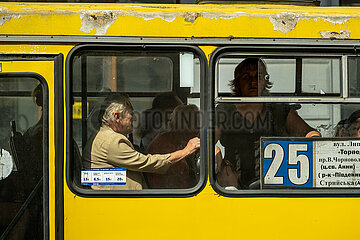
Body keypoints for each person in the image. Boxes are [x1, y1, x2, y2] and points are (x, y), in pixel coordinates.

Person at [216, 57, 320, 189]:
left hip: (275, 186)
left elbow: (308, 132)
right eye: (247, 77)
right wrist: (213, 148)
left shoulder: (277, 109)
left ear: (265, 81)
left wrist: (314, 140)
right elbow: (207, 139)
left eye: (258, 77)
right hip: (234, 187)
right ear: (237, 83)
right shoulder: (225, 110)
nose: (253, 82)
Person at [82, 93, 200, 190]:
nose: (134, 118)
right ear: (117, 117)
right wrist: (186, 151)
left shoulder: (103, 136)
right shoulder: (112, 141)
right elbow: (148, 163)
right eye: (131, 114)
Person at [145, 104, 200, 189]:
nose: (198, 128)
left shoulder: (184, 140)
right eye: (195, 122)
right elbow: (173, 178)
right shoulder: (163, 143)